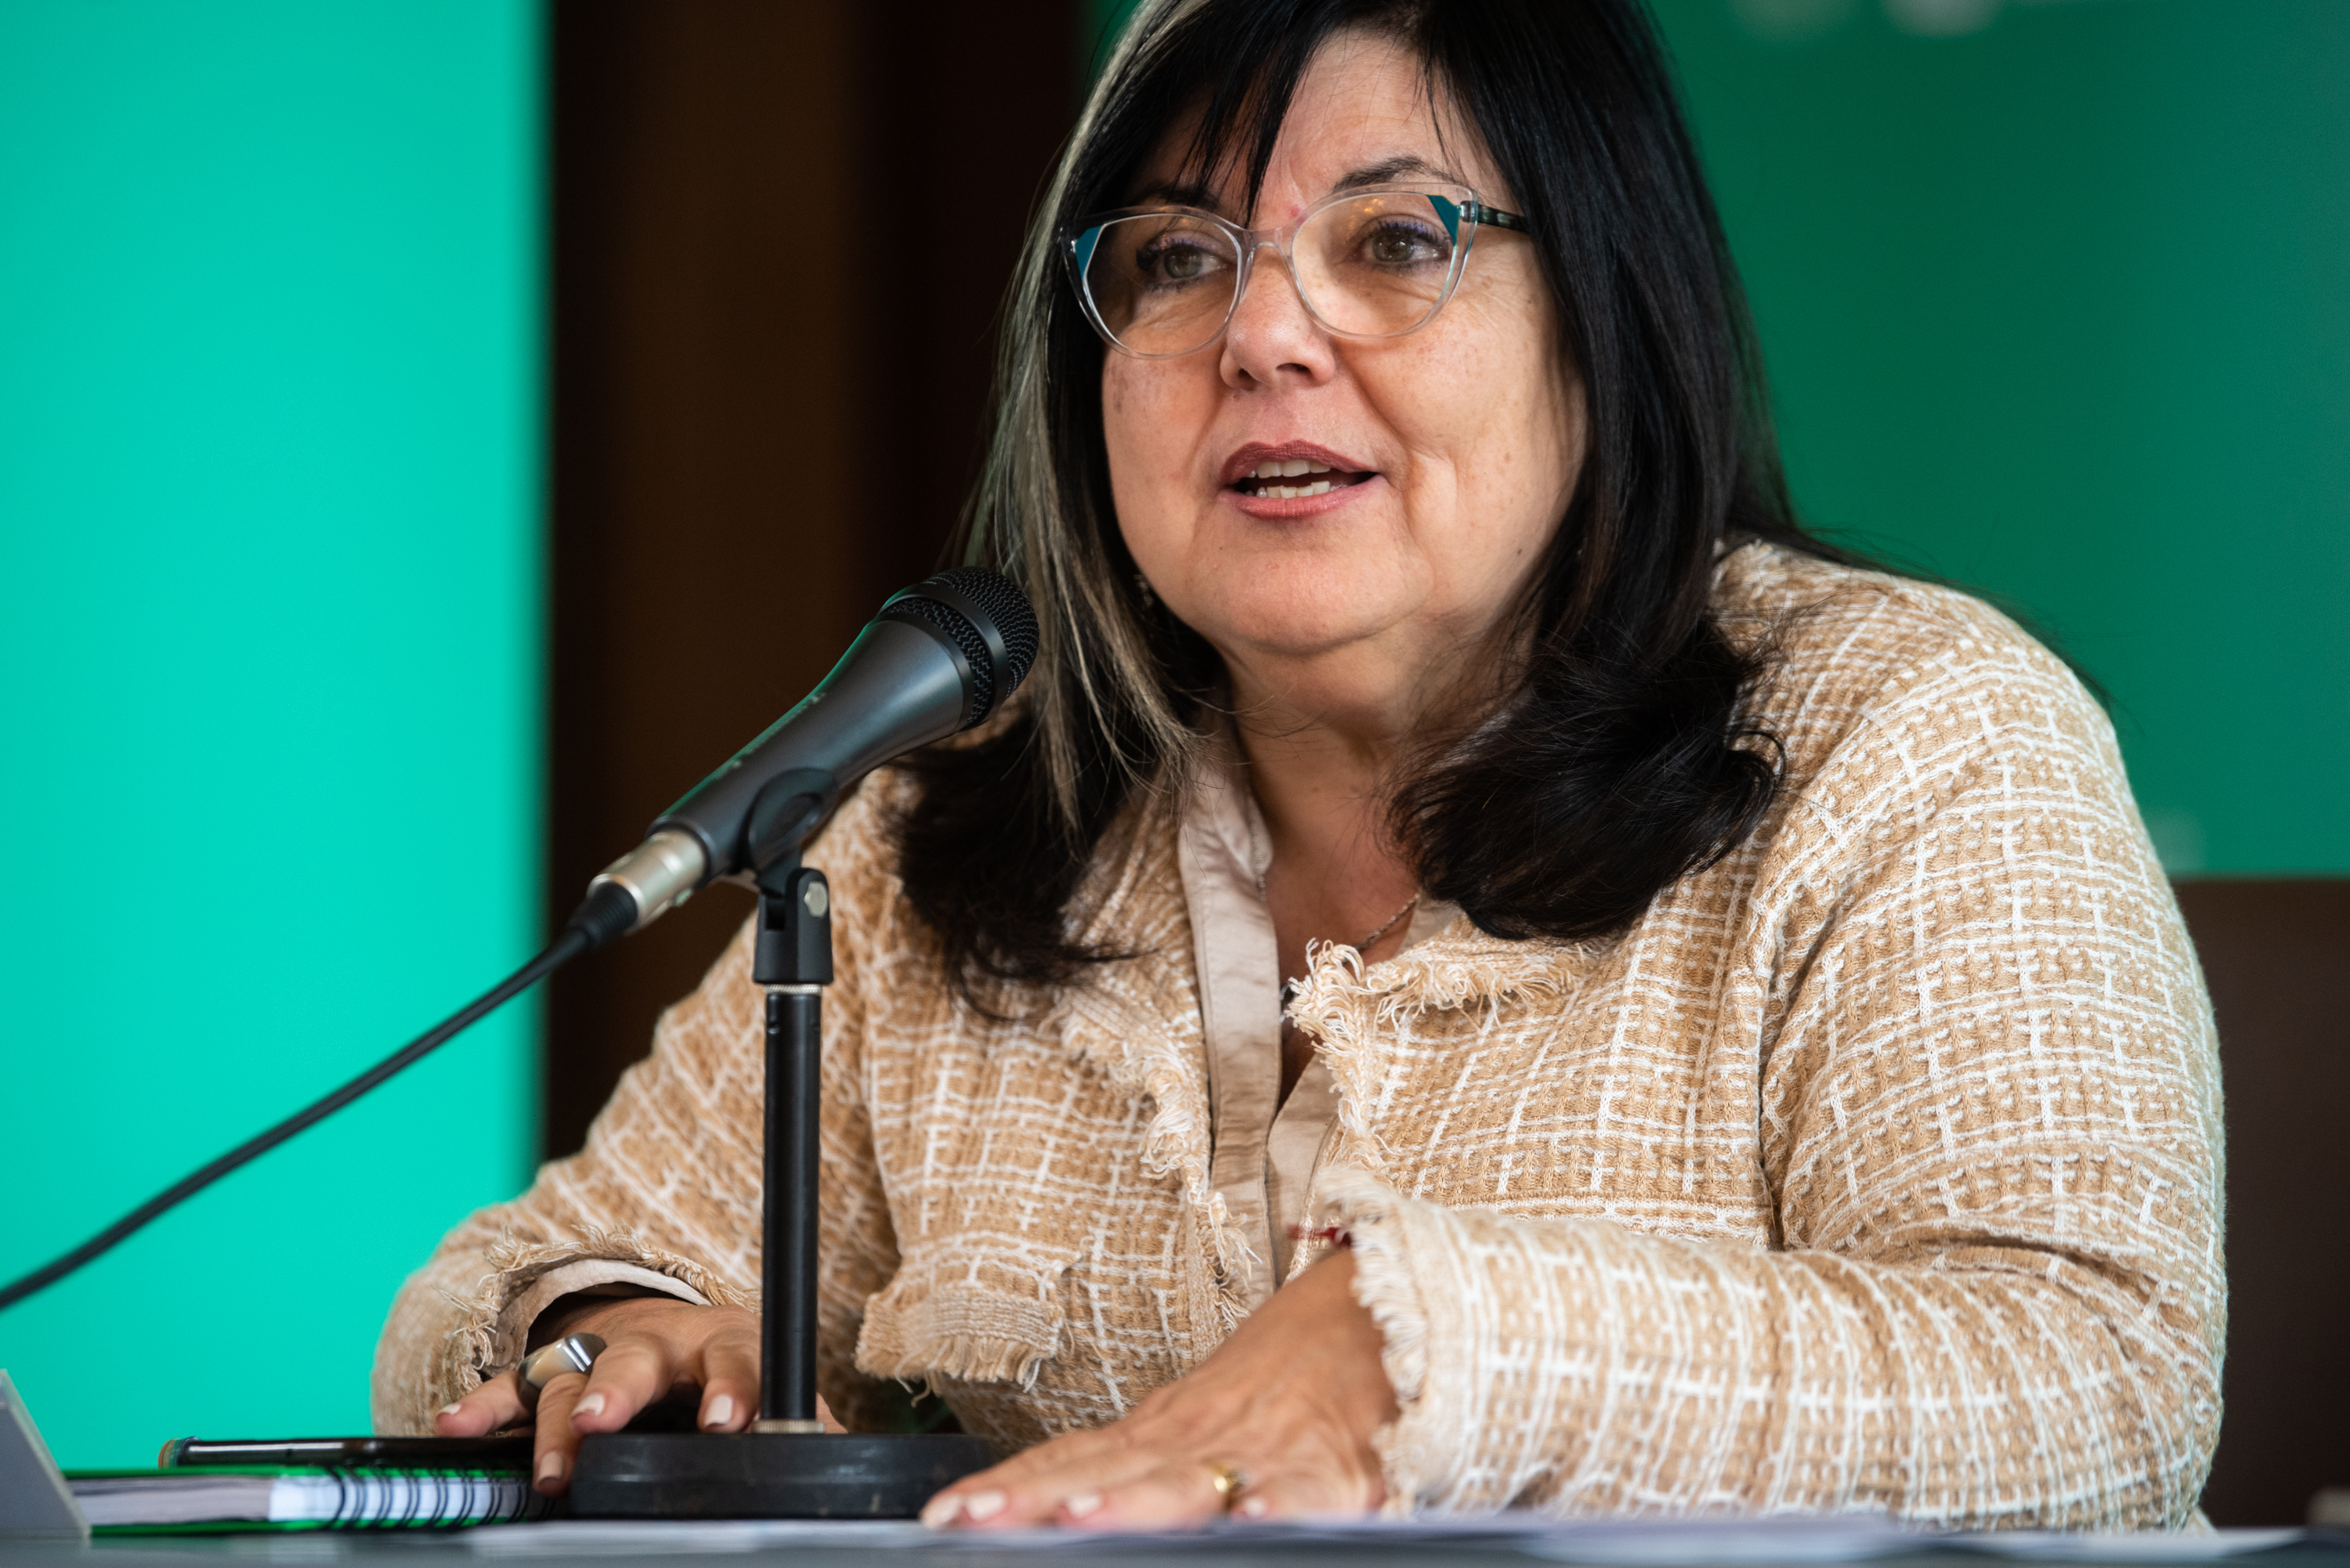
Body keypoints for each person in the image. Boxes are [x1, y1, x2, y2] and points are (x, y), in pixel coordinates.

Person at [376, 0, 2222, 1530]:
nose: (1261, 335)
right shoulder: (958, 815)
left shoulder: (1908, 735)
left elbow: (2093, 1381)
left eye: (1397, 241)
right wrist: (608, 1331)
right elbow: (523, 1275)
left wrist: (1428, 1352)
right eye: (1179, 260)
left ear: (1610, 307)